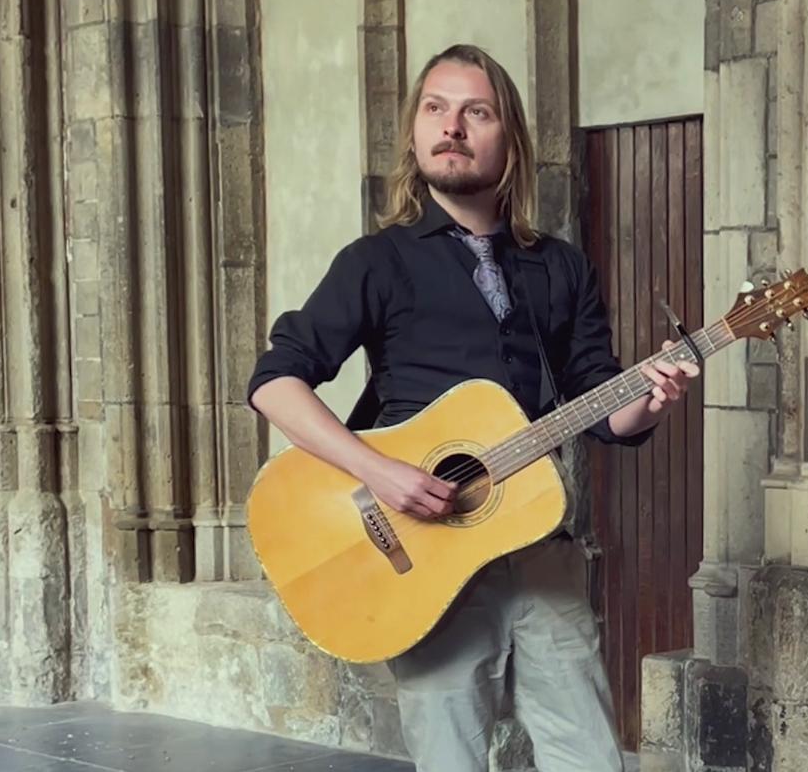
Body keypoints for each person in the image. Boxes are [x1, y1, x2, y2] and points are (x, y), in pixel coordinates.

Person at [246, 43, 697, 772]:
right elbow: (275, 382)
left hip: (539, 550)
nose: (450, 126)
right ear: (416, 131)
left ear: (509, 139)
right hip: (421, 557)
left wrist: (650, 399)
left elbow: (604, 409)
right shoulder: (377, 261)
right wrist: (379, 471)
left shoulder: (560, 267)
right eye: (435, 108)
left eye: (474, 112)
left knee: (592, 761)